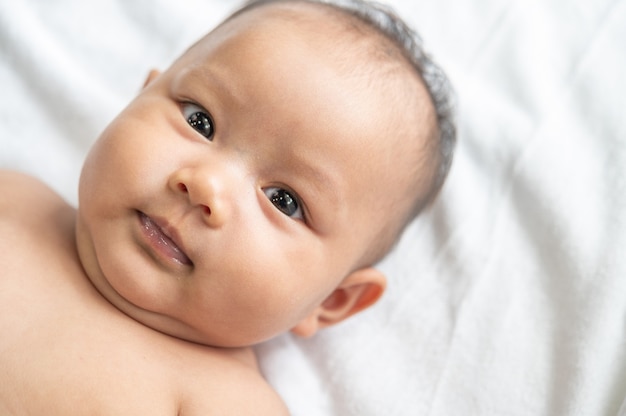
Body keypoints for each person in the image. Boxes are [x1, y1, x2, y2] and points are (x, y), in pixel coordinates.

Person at [0, 0, 455, 413]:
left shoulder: (226, 401)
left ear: (333, 299)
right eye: (200, 120)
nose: (205, 187)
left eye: (285, 200)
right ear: (138, 97)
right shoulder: (15, 199)